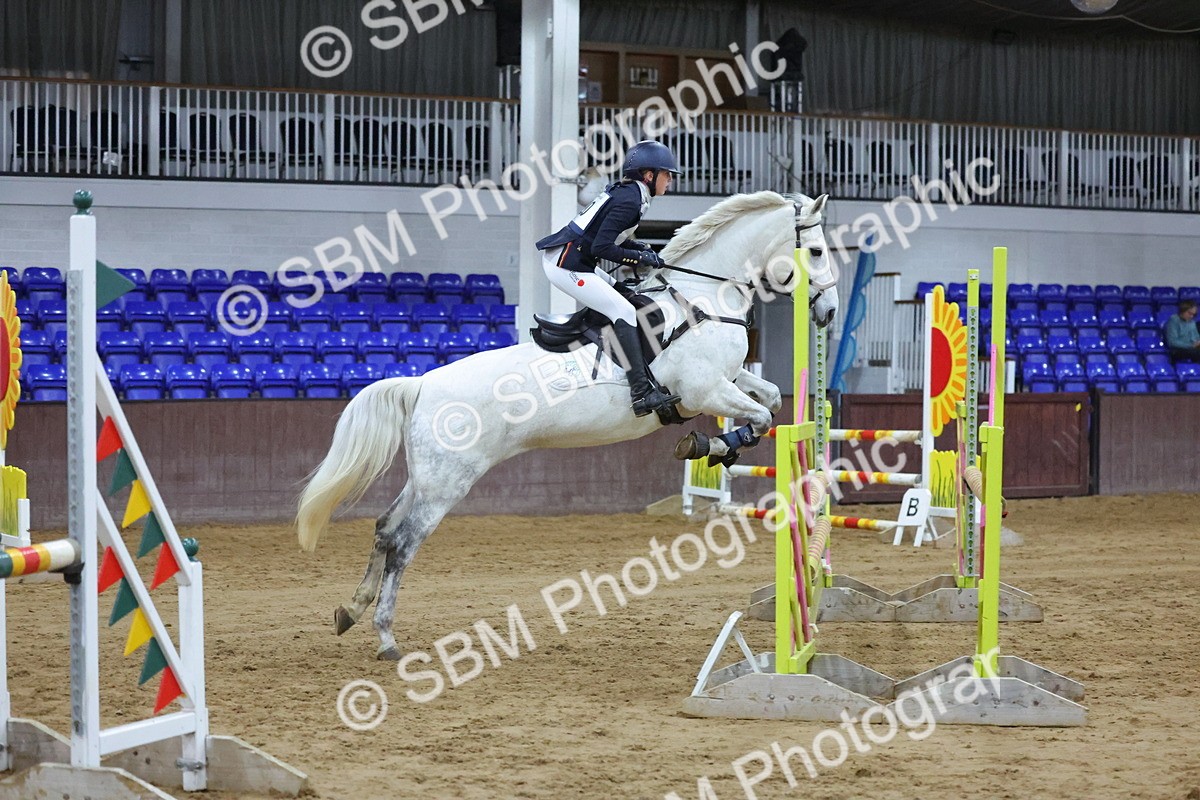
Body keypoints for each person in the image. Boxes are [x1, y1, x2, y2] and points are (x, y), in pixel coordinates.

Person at [535, 140, 683, 418]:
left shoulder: (630, 194)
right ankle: (640, 392)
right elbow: (601, 248)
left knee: (630, 297)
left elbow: (604, 240)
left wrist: (638, 249)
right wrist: (638, 258)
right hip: (566, 265)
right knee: (624, 310)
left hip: (580, 260)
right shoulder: (630, 200)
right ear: (649, 175)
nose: (671, 180)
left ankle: (634, 367)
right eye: (667, 174)